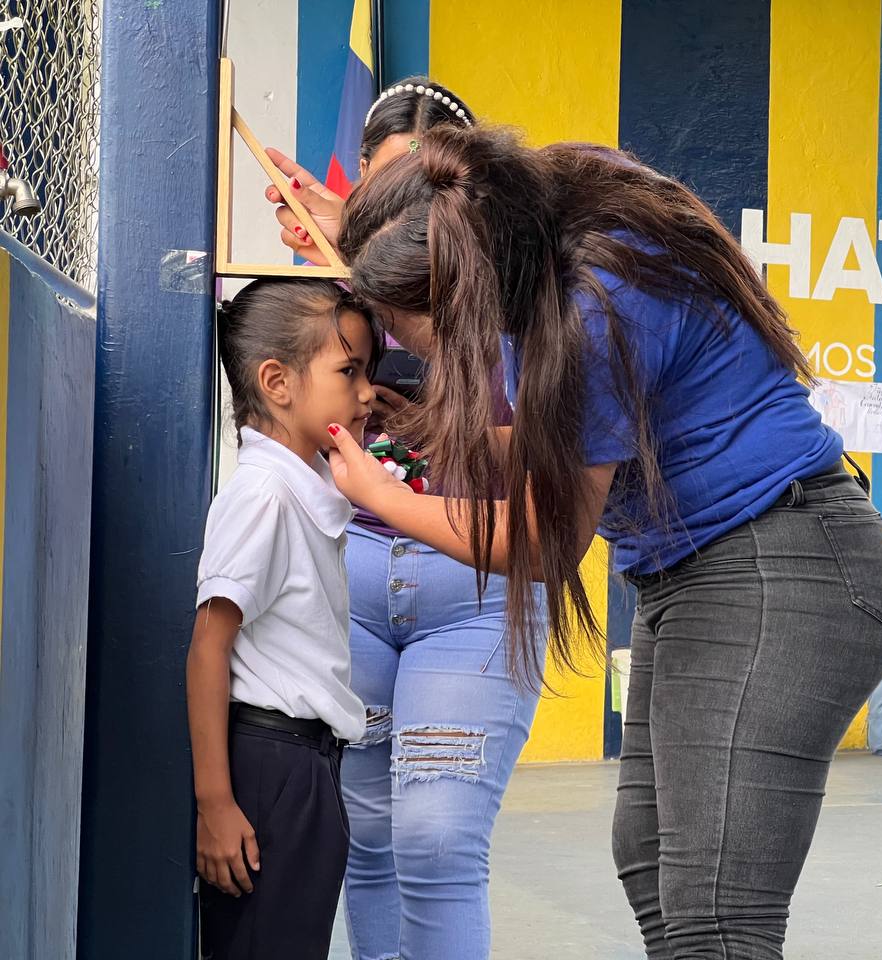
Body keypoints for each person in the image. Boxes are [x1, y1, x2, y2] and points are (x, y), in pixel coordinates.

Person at [323, 122, 882, 959]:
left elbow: (547, 537)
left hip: (784, 565)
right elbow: (564, 439)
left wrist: (382, 493)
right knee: (650, 861)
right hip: (699, 572)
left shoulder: (593, 307)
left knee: (715, 910)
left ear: (463, 288)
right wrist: (425, 430)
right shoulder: (552, 207)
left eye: (395, 316)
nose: (390, 336)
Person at [263, 80, 546, 960]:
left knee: (436, 838)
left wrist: (412, 426)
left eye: (421, 195)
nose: (403, 222)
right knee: (370, 840)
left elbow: (540, 479)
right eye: (382, 199)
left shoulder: (528, 295)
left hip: (471, 591)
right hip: (354, 588)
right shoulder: (353, 286)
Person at [187, 278, 380, 959]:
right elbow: (209, 647)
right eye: (350, 371)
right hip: (269, 767)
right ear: (277, 382)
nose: (368, 394)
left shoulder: (304, 491)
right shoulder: (264, 497)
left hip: (306, 766)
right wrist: (216, 802)